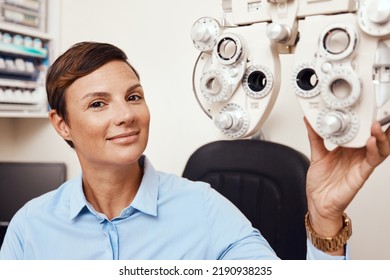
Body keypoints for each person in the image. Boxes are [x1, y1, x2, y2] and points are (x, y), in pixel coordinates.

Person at [0, 42, 389, 260]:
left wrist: (325, 219)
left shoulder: (205, 210)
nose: (125, 115)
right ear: (61, 124)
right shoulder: (30, 230)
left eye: (133, 97)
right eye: (98, 104)